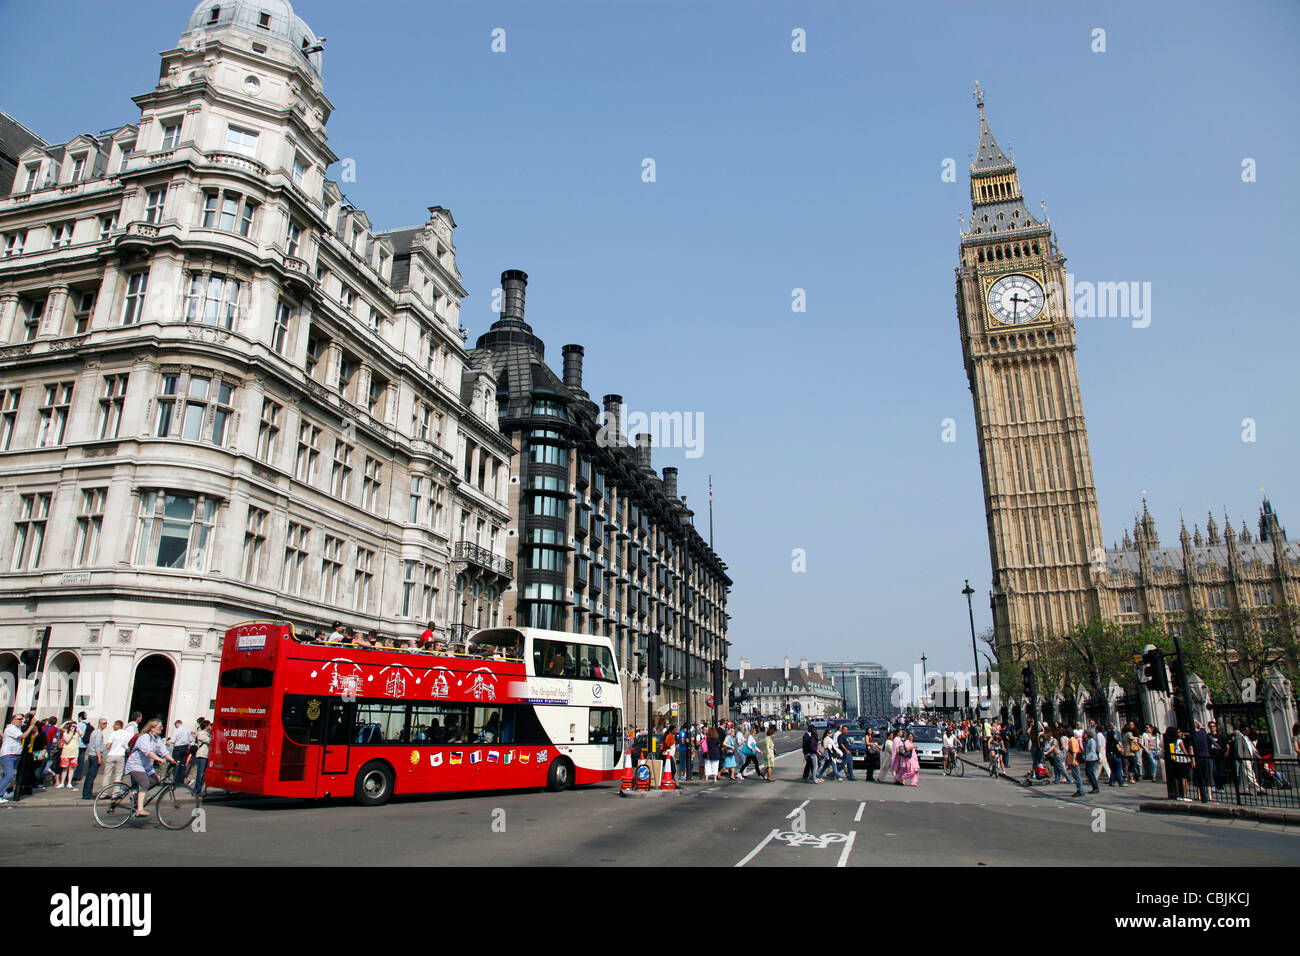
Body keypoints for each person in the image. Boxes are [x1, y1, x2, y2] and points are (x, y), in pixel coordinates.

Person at [124, 719, 176, 817]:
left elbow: (164, 751)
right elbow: (147, 752)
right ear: (152, 728)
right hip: (136, 765)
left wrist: (172, 760)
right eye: (159, 727)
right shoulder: (144, 737)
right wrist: (159, 759)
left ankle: (137, 794)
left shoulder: (157, 739)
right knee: (145, 783)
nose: (161, 728)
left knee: (155, 781)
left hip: (146, 767)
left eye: (162, 727)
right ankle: (139, 810)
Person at [0, 713, 25, 802]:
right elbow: (23, 736)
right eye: (19, 719)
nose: (21, 721)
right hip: (8, 754)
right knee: (9, 776)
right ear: (13, 720)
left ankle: (4, 792)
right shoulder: (11, 728)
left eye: (22, 719)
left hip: (15, 754)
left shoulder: (17, 727)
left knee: (7, 776)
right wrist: (32, 726)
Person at [81, 718, 107, 800]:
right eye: (103, 723)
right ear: (99, 724)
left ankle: (87, 793)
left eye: (106, 723)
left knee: (90, 775)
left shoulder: (94, 732)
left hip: (91, 755)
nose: (105, 725)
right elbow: (97, 746)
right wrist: (99, 757)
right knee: (91, 775)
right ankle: (87, 794)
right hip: (95, 756)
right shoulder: (98, 733)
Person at [104, 720, 130, 785]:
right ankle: (116, 792)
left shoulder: (113, 733)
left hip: (111, 754)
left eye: (114, 725)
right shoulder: (127, 734)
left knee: (107, 774)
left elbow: (108, 746)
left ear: (117, 725)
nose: (113, 726)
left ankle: (103, 793)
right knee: (118, 775)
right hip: (121, 755)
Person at [57, 720, 80, 789]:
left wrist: (77, 727)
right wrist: (66, 722)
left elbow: (81, 733)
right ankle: (62, 782)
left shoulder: (76, 733)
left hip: (74, 752)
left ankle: (69, 782)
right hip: (66, 752)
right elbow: (67, 740)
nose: (72, 727)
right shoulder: (65, 732)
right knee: (64, 768)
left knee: (71, 768)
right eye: (71, 726)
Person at [169, 719, 193, 784]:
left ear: (177, 724)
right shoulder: (187, 730)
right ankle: (181, 781)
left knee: (176, 764)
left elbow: (172, 741)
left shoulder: (177, 731)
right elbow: (191, 740)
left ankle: (176, 780)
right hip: (185, 748)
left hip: (178, 748)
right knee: (183, 764)